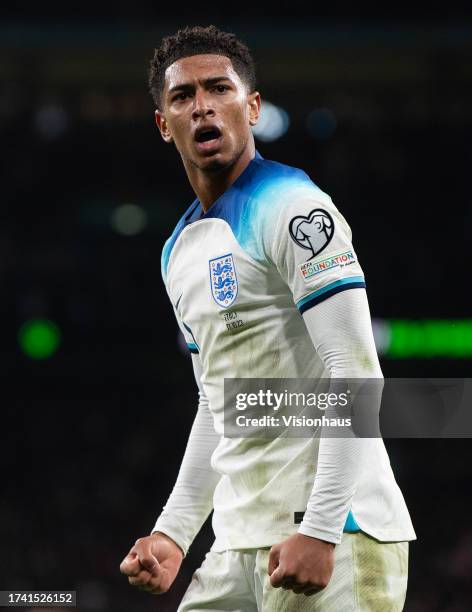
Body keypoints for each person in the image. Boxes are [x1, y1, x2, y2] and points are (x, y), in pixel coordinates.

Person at [119, 24, 416, 611]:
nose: (202, 105)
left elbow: (354, 370)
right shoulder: (178, 251)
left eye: (219, 89)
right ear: (163, 124)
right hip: (238, 544)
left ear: (251, 107)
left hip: (336, 535)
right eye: (182, 97)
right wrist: (175, 531)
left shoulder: (295, 208)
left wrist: (324, 527)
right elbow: (218, 401)